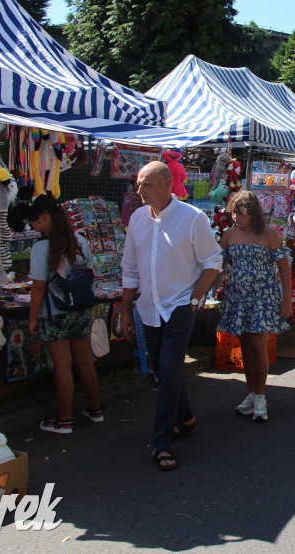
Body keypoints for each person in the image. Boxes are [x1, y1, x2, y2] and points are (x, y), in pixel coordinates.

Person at [121, 162, 223, 472]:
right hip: (149, 307)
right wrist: (125, 309)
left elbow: (213, 261)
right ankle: (186, 417)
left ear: (167, 184)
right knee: (161, 369)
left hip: (180, 306)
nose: (140, 191)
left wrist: (194, 300)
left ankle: (162, 442)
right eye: (139, 184)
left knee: (167, 370)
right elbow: (130, 268)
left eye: (146, 185)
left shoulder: (193, 218)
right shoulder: (138, 219)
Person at [18, 194, 102, 435]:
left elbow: (39, 286)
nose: (32, 226)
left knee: (62, 366)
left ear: (44, 218)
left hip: (55, 313)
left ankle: (65, 421)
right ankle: (96, 410)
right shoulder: (80, 241)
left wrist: (33, 318)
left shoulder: (41, 247)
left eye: (34, 221)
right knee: (85, 361)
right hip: (82, 308)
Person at [217, 191, 293, 422]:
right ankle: (251, 394)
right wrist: (206, 292)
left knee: (258, 348)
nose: (236, 217)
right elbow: (219, 266)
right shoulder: (228, 235)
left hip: (263, 296)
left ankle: (260, 396)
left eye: (241, 213)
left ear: (253, 214)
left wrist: (287, 299)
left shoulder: (269, 234)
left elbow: (284, 268)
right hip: (238, 296)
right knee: (246, 347)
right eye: (233, 213)